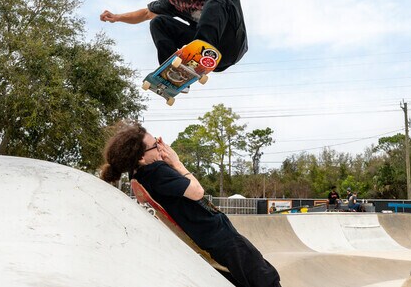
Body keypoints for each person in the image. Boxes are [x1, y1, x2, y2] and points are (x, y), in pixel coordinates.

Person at [100, 122, 281, 287]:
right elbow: (197, 192)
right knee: (264, 278)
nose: (162, 148)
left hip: (207, 238)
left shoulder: (138, 174)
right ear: (140, 157)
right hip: (218, 236)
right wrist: (177, 162)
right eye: (156, 145)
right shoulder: (157, 171)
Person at [100, 0, 314, 72]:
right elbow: (145, 14)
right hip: (211, 59)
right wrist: (118, 17)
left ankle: (201, 51)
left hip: (231, 45)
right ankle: (171, 72)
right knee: (158, 22)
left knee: (217, 0)